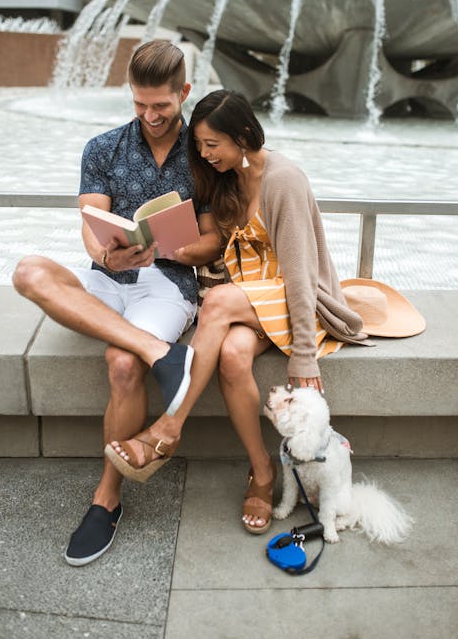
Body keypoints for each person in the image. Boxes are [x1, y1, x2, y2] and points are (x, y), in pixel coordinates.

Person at [105, 89, 370, 535]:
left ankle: (168, 427)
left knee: (222, 301)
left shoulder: (282, 179)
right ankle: (263, 473)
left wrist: (303, 355)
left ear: (244, 135)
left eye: (213, 145)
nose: (205, 155)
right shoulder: (228, 177)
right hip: (252, 299)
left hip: (291, 298)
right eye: (200, 147)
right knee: (230, 355)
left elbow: (301, 274)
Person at [13, 40, 221, 565]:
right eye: (139, 104)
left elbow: (215, 240)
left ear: (185, 93)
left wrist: (169, 248)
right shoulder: (101, 148)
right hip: (109, 276)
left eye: (162, 106)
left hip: (167, 282)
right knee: (29, 271)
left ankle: (107, 498)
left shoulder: (205, 151)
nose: (150, 116)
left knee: (121, 362)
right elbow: (91, 226)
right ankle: (162, 354)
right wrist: (107, 258)